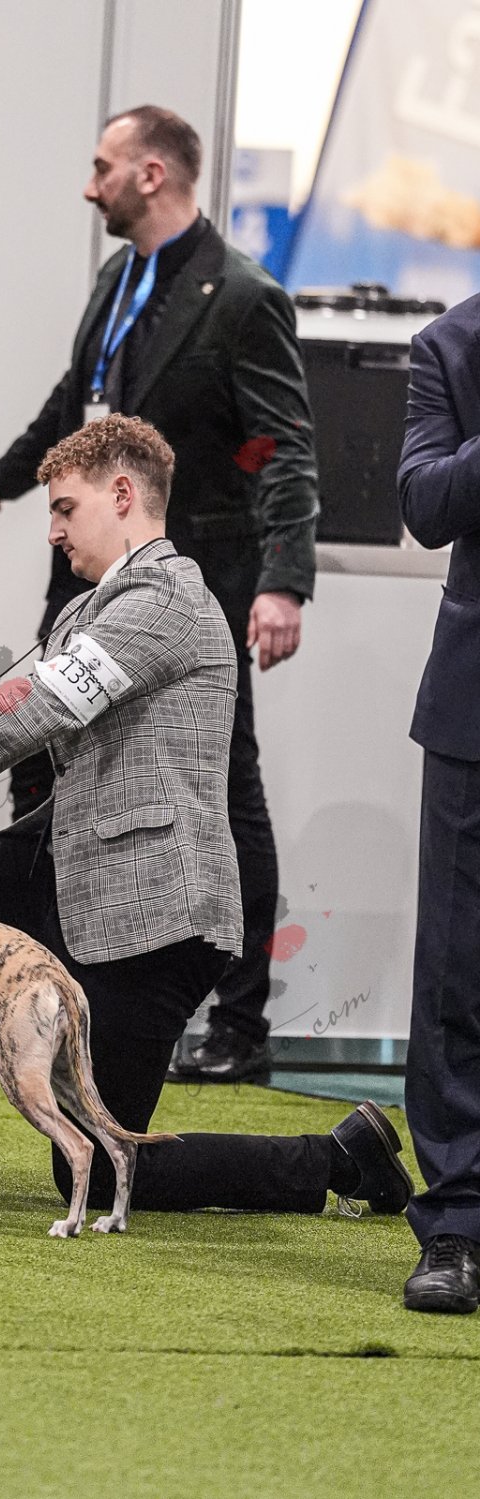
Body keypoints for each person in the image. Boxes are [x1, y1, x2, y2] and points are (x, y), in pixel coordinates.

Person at [0, 415, 407, 1222]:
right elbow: (1, 725)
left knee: (104, 1169)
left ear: (123, 494)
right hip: (66, 872)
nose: (53, 531)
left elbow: (27, 712)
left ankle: (337, 1158)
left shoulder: (166, 600)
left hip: (154, 920)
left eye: (65, 509)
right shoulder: (92, 609)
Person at [0, 105, 319, 1082]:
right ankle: (27, 984)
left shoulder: (242, 296)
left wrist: (284, 581)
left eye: (102, 166)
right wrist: (3, 480)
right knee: (40, 762)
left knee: (223, 788)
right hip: (85, 581)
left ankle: (239, 1023)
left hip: (191, 588)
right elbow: (73, 401)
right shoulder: (117, 279)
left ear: (151, 174)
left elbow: (283, 447)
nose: (91, 186)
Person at [397, 296, 480, 1313]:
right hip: (471, 712)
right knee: (455, 974)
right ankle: (457, 1222)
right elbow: (423, 503)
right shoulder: (449, 346)